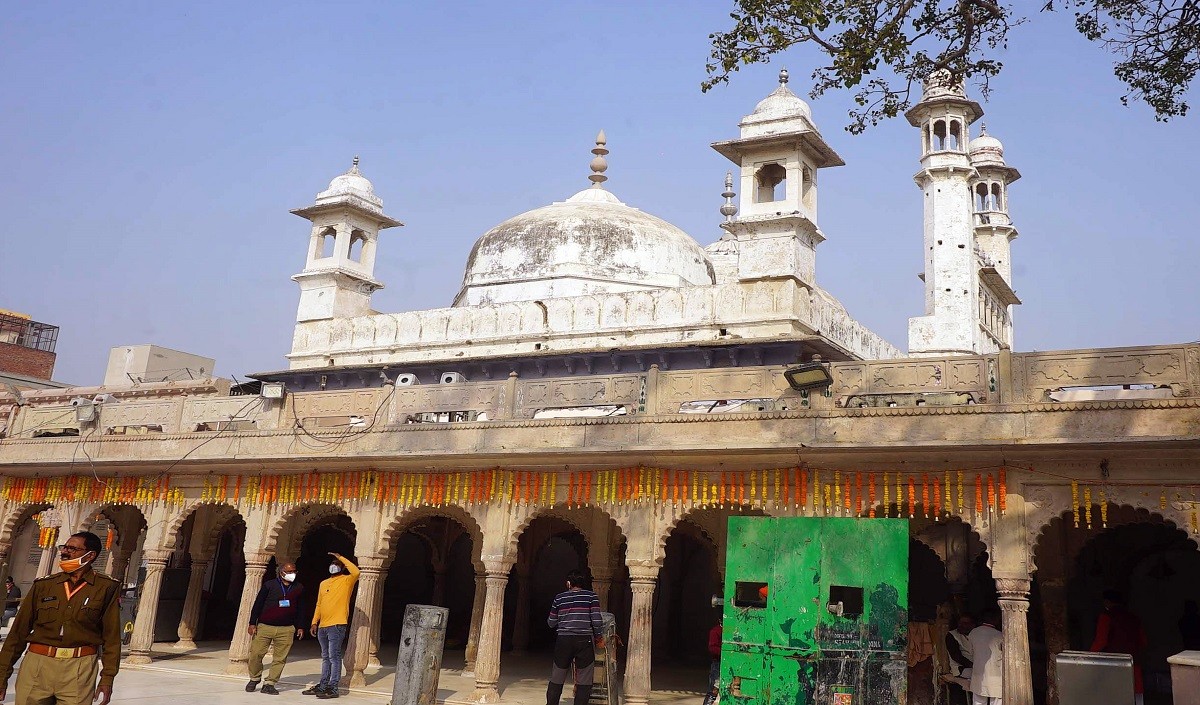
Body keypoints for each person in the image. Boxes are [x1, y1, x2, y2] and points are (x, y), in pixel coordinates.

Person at [0, 531, 121, 705]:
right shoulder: (45, 585)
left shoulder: (105, 587)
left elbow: (112, 638)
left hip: (79, 667)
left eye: (72, 549)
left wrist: (107, 677)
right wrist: (3, 675)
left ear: (90, 555)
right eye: (64, 547)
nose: (65, 552)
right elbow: (18, 633)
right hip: (38, 664)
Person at [304, 552, 359, 699]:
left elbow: (356, 571)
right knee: (325, 657)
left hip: (337, 624)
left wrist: (341, 557)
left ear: (342, 567)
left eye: (337, 564)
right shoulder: (324, 583)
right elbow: (319, 604)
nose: (334, 566)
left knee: (334, 657)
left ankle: (333, 687)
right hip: (323, 626)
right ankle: (323, 685)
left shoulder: (347, 580)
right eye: (333, 563)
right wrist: (314, 622)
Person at [545, 570, 604, 705]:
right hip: (585, 640)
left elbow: (551, 622)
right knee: (584, 679)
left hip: (564, 640)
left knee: (557, 677)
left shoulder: (559, 598)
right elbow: (596, 621)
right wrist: (599, 637)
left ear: (568, 583)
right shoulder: (592, 597)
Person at [246, 562, 306, 695]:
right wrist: (252, 623)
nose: (292, 574)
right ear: (281, 572)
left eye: (294, 571)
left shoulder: (298, 587)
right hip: (265, 626)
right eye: (289, 572)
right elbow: (258, 604)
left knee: (280, 658)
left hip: (286, 628)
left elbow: (301, 608)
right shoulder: (270, 585)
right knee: (256, 654)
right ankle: (254, 677)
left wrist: (301, 626)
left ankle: (270, 683)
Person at [1090, 590, 1147, 705]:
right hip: (1133, 664)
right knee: (1136, 697)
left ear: (1106, 602)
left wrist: (1089, 657)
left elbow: (1101, 641)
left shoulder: (1106, 616)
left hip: (1112, 666)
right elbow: (1144, 642)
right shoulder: (1134, 618)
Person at [967, 610, 1002, 705]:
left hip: (978, 672)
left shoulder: (973, 632)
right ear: (995, 620)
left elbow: (970, 653)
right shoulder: (999, 635)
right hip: (996, 674)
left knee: (978, 701)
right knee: (997, 701)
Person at [943, 615, 975, 705]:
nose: (961, 625)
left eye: (965, 623)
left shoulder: (974, 634)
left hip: (975, 667)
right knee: (981, 676)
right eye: (960, 623)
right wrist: (973, 665)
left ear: (972, 625)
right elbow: (956, 656)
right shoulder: (951, 635)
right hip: (961, 668)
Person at [704, 618, 722, 705]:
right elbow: (712, 648)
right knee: (713, 691)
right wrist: (725, 652)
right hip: (718, 664)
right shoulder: (715, 631)